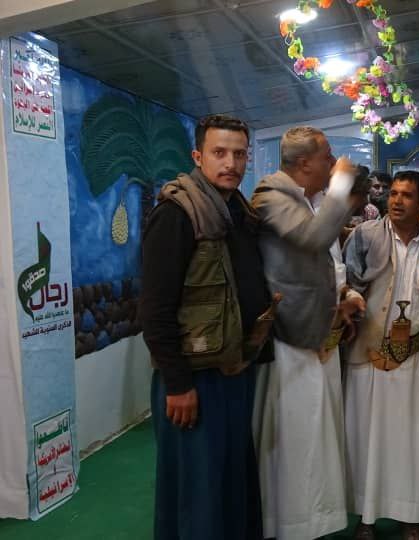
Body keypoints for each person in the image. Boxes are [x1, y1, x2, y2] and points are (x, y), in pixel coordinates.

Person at [140, 114, 272, 540]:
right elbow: (155, 309)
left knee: (229, 483)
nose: (230, 163)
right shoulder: (176, 215)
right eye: (219, 152)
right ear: (198, 156)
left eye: (239, 154)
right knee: (198, 493)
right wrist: (178, 384)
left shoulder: (237, 211)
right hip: (193, 379)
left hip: (233, 369)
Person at [251, 126, 360, 538]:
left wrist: (340, 300)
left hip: (312, 334)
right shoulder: (272, 195)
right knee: (295, 440)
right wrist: (343, 183)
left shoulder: (304, 200)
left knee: (314, 436)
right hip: (288, 341)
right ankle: (290, 525)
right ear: (303, 163)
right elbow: (314, 239)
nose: (333, 163)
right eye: (327, 156)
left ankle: (311, 522)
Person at [342, 171, 419, 540]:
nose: (396, 201)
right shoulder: (365, 235)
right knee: (365, 438)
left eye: (407, 195)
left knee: (409, 438)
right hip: (368, 351)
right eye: (393, 193)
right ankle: (366, 518)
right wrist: (350, 297)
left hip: (412, 353)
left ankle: (411, 515)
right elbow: (345, 282)